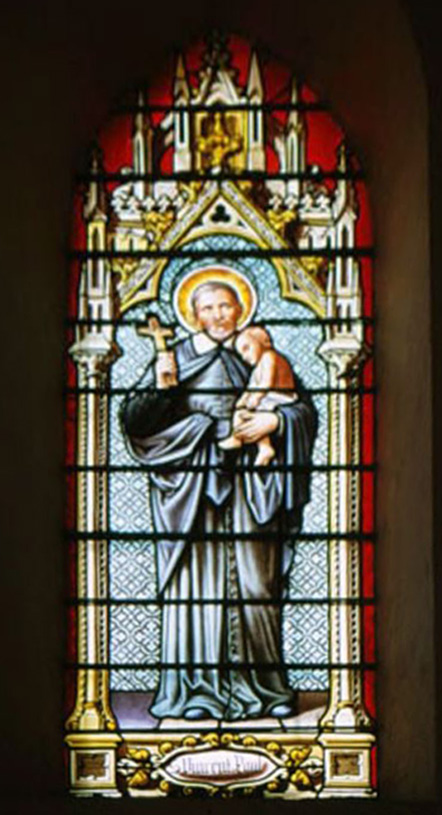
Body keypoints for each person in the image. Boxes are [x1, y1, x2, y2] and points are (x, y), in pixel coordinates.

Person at [120, 279, 317, 721]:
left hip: (252, 488)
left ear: (241, 309)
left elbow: (303, 410)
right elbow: (134, 420)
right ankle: (197, 692)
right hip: (193, 491)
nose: (218, 315)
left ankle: (265, 687)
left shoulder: (256, 354)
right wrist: (165, 389)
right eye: (207, 308)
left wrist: (275, 422)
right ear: (193, 315)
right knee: (197, 588)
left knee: (256, 585)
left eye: (226, 306)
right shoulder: (177, 358)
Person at [219, 325, 299, 466]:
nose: (244, 356)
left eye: (246, 348)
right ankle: (239, 437)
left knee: (257, 409)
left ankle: (264, 447)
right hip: (269, 397)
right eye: (241, 354)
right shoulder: (257, 367)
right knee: (241, 412)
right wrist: (243, 400)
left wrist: (256, 397)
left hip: (281, 396)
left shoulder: (269, 356)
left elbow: (266, 383)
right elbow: (252, 387)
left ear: (263, 342)